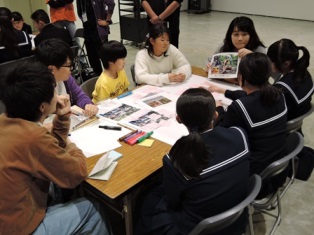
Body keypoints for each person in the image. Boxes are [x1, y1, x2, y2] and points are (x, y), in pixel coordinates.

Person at [0, 61, 112, 234]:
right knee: (92, 209)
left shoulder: (6, 120)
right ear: (43, 107)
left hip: (8, 216)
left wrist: (62, 117)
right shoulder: (33, 137)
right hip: (18, 227)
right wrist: (70, 144)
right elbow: (78, 172)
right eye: (53, 91)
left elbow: (49, 151)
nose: (57, 94)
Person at [135, 88, 250, 234]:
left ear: (179, 119)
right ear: (215, 115)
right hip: (236, 220)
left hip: (199, 229)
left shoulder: (176, 159)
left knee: (147, 200)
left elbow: (173, 203)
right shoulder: (239, 134)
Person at [208, 53, 287, 177]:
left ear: (241, 77)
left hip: (253, 172)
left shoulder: (239, 107)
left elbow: (221, 133)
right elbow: (251, 96)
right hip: (277, 164)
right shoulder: (278, 94)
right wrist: (225, 91)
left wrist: (218, 109)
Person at [36, 38, 98, 117]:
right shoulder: (36, 90)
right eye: (68, 65)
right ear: (51, 69)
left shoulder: (66, 79)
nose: (71, 69)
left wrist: (87, 105)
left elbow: (79, 95)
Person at [205, 16, 266, 84]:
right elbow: (210, 61)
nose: (240, 38)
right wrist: (209, 67)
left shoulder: (259, 49)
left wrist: (253, 57)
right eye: (236, 34)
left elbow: (264, 74)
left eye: (244, 34)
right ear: (230, 35)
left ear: (251, 35)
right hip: (225, 85)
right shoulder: (225, 46)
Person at [267, 38, 314, 121]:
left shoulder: (282, 89)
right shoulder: (304, 73)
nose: (268, 63)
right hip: (298, 117)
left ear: (286, 64)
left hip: (284, 123)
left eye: (270, 61)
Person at [77, 0, 116, 76]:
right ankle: (99, 80)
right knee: (93, 60)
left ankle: (112, 79)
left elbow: (111, 3)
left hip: (98, 32)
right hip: (87, 32)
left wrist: (107, 21)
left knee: (106, 59)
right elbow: (80, 12)